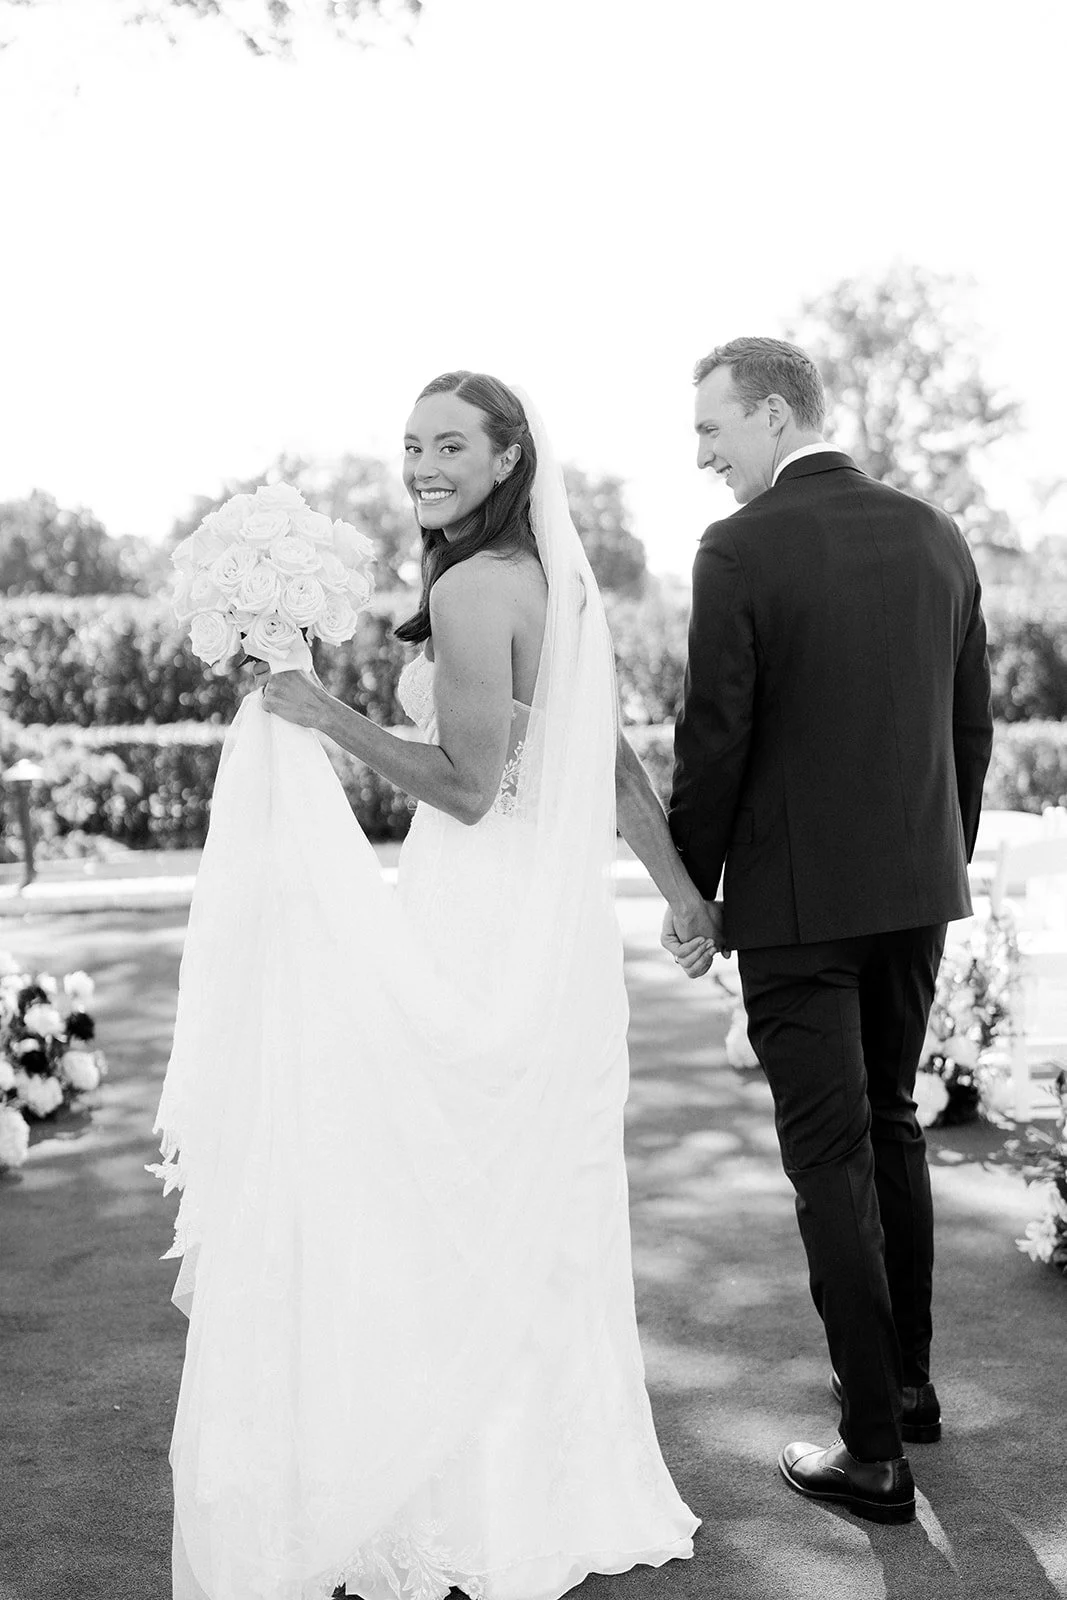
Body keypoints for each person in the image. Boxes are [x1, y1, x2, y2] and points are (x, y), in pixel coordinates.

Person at [152, 372, 708, 1600]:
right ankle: (542, 1481)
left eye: (451, 445)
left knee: (431, 1183)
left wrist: (319, 710)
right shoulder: (555, 582)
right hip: (548, 934)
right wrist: (680, 891)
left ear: (510, 456)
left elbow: (464, 785)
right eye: (412, 444)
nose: (424, 464)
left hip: (477, 922)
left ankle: (452, 1482)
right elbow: (601, 760)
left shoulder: (469, 588)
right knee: (529, 1188)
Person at [664, 337, 993, 1524]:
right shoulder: (934, 534)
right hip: (916, 890)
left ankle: (871, 1454)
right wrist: (933, 860)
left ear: (767, 414)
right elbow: (970, 732)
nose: (699, 455)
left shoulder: (737, 547)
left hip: (797, 911)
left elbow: (714, 739)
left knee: (829, 1160)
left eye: (709, 430)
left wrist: (690, 889)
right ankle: (905, 1389)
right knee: (890, 1122)